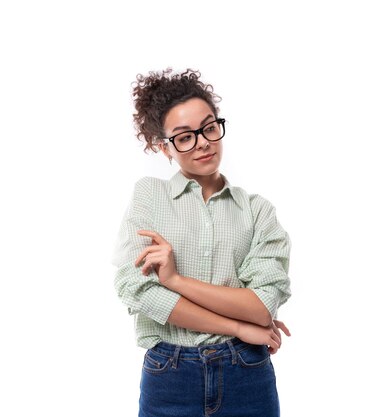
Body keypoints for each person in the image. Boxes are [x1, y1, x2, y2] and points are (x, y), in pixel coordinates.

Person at [112, 68, 292, 417]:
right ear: (163, 147)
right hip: (170, 374)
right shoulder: (149, 197)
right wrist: (238, 326)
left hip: (247, 373)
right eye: (184, 137)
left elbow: (261, 305)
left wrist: (175, 281)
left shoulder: (257, 212)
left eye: (209, 128)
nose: (203, 142)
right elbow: (136, 289)